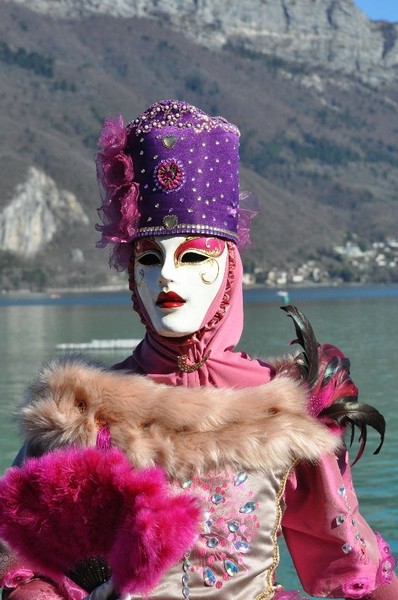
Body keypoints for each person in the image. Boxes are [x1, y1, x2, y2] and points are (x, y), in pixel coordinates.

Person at [0, 100, 396, 600]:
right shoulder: (79, 414)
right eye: (149, 258)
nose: (166, 275)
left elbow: (352, 568)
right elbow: (26, 560)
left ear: (228, 267)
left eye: (191, 257)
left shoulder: (287, 408)